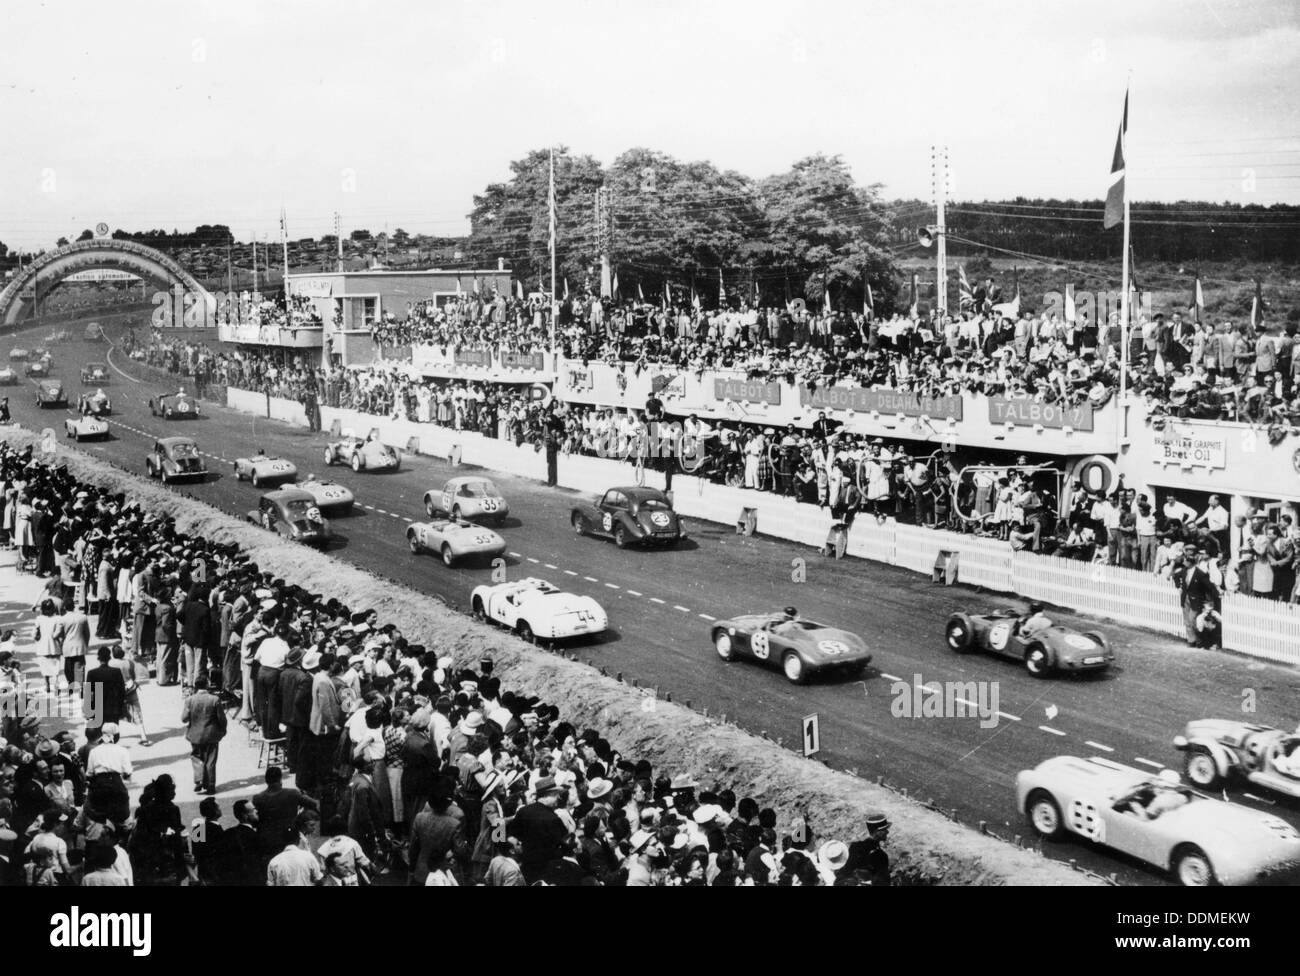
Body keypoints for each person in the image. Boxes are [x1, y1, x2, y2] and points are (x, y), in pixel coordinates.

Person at [182, 674, 227, 794]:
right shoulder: (215, 699)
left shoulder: (189, 700)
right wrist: (223, 730)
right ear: (207, 684)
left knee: (196, 757)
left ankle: (199, 779)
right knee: (211, 759)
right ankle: (211, 784)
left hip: (195, 735)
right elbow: (222, 718)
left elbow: (184, 718)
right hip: (211, 735)